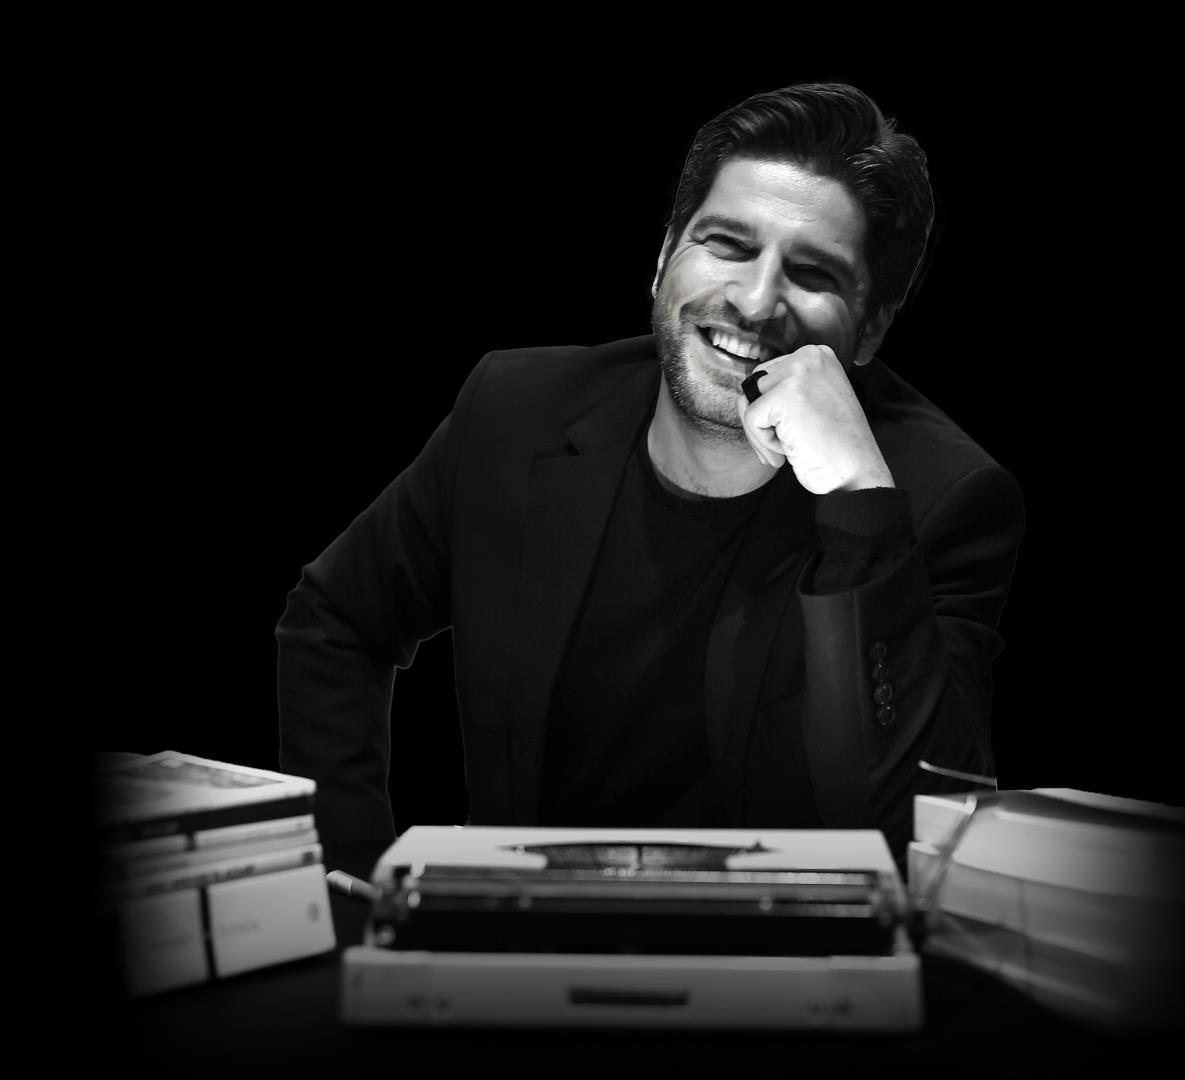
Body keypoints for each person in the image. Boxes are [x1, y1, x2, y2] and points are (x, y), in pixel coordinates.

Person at [275, 82, 1025, 861]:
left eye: (812, 274)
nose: (755, 301)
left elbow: (929, 830)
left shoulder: (942, 499)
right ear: (666, 256)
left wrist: (858, 504)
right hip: (516, 922)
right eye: (728, 244)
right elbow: (335, 619)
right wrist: (347, 874)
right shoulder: (513, 414)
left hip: (783, 936)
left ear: (869, 329)